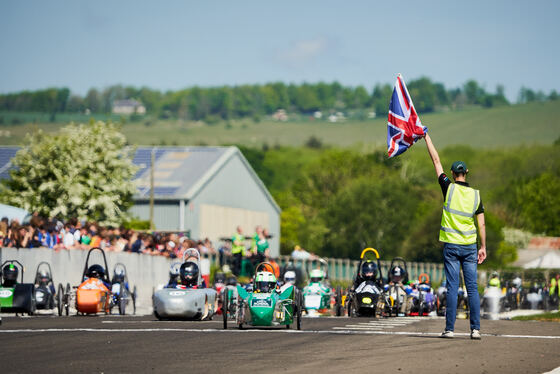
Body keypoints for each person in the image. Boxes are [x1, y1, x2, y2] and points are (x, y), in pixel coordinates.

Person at [423, 133, 486, 340]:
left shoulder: (447, 188)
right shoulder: (475, 195)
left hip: (451, 246)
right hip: (469, 247)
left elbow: (436, 160)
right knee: (472, 289)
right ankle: (475, 330)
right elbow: (481, 223)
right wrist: (483, 247)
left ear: (452, 173)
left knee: (452, 288)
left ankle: (449, 329)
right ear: (466, 173)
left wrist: (426, 136)